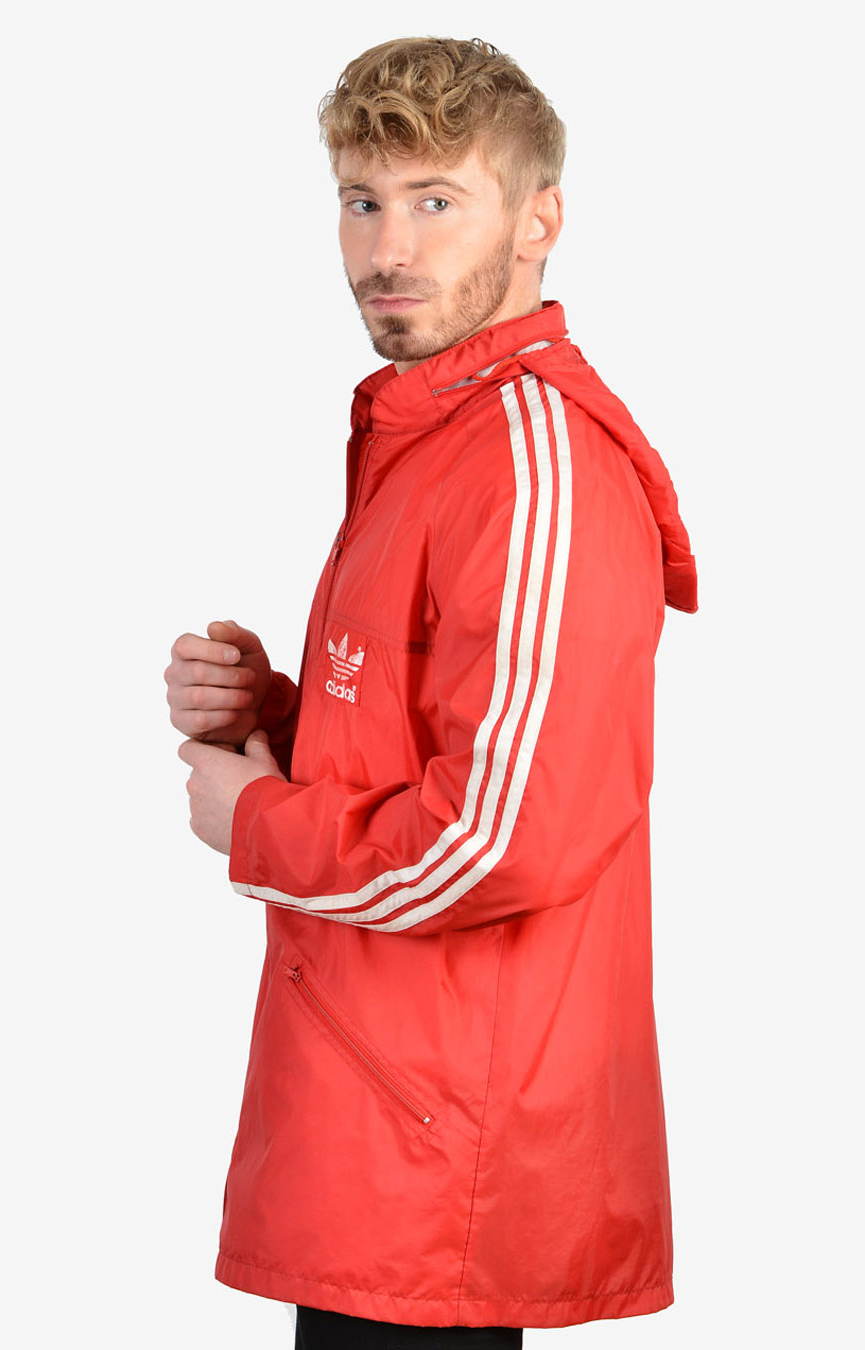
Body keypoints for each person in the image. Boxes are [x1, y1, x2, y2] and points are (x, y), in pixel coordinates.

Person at [165, 36, 697, 1349]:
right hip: (382, 1118)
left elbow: (499, 840)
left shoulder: (529, 464)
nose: (386, 249)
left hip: (445, 1152)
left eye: (436, 200)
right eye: (362, 201)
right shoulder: (430, 435)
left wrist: (256, 821)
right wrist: (278, 714)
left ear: (540, 220)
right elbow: (443, 739)